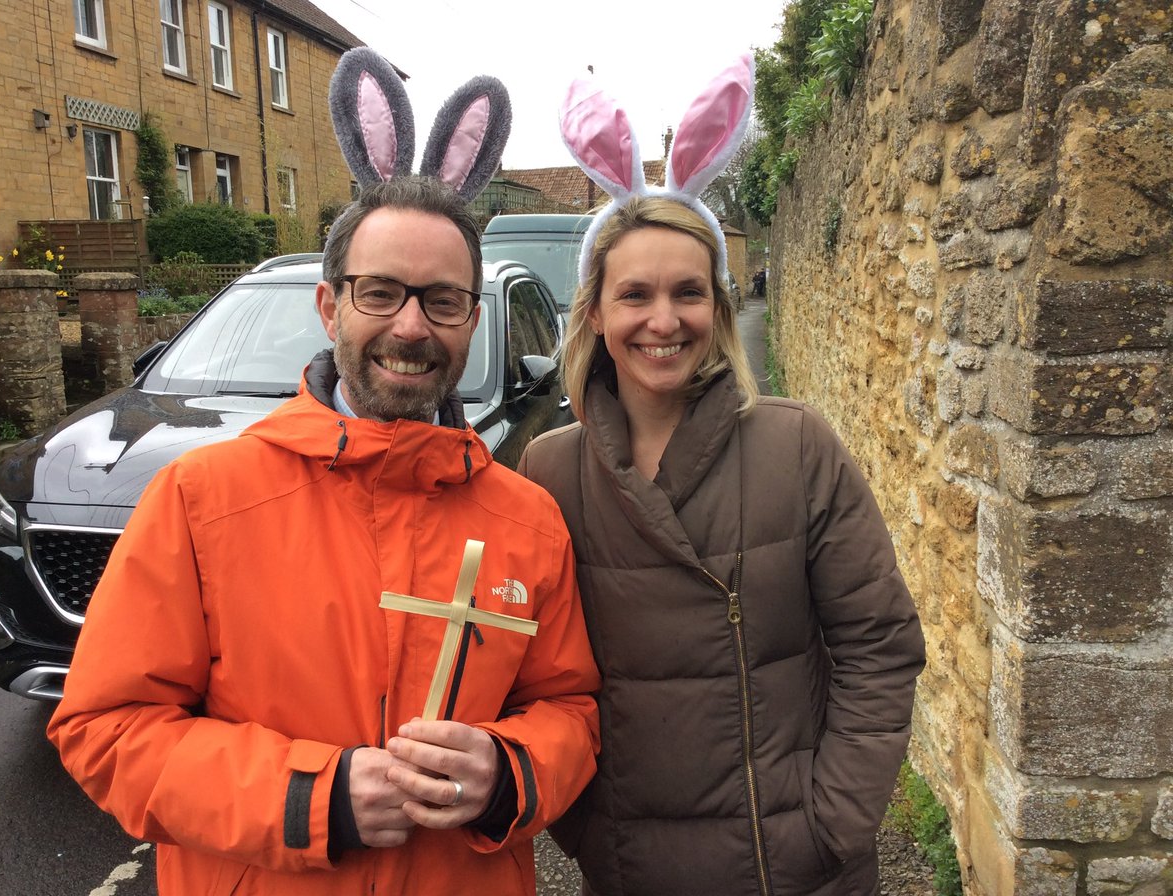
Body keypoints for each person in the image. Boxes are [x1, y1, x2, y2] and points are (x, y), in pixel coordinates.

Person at [48, 48, 600, 896]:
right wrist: (314, 798)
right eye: (381, 292)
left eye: (442, 300)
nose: (411, 326)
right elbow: (105, 729)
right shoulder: (202, 500)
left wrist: (509, 772)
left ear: (470, 319)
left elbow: (571, 712)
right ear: (330, 304)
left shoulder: (526, 520)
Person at [516, 56, 925, 896]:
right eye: (635, 295)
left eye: (688, 293)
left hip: (796, 867)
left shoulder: (796, 445)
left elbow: (879, 647)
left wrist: (833, 824)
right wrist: (585, 829)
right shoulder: (551, 469)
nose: (663, 322)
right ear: (595, 310)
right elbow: (536, 677)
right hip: (633, 867)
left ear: (721, 307)